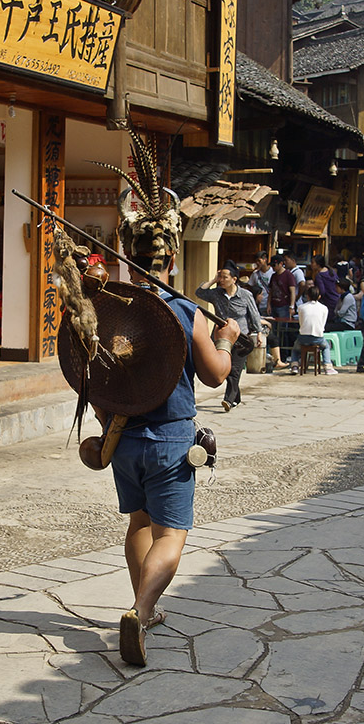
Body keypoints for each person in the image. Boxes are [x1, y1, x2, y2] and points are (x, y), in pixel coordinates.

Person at [86, 126, 241, 668]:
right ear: (170, 259)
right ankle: (141, 606)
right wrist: (224, 339)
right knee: (172, 533)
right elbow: (218, 376)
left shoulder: (108, 307)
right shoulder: (186, 311)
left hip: (123, 438)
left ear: (129, 256)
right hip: (173, 439)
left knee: (138, 523)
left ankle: (143, 610)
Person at [196, 265, 263, 411]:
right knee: (225, 369)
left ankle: (228, 400)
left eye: (225, 277)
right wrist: (214, 279)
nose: (222, 280)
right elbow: (199, 292)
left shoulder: (245, 295)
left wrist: (259, 333)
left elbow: (254, 314)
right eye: (221, 277)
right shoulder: (216, 294)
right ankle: (236, 398)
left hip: (241, 338)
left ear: (234, 279)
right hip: (221, 337)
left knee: (235, 370)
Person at [289, 285, 338, 376]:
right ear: (319, 296)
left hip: (303, 337)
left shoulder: (301, 307)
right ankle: (328, 367)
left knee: (295, 349)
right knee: (326, 347)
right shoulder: (324, 308)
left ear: (307, 296)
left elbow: (301, 322)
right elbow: (322, 324)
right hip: (318, 337)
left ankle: (294, 366)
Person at [311, 255, 339, 320]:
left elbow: (322, 291)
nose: (311, 264)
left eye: (313, 262)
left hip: (328, 302)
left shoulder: (319, 276)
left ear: (318, 264)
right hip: (337, 300)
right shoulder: (331, 272)